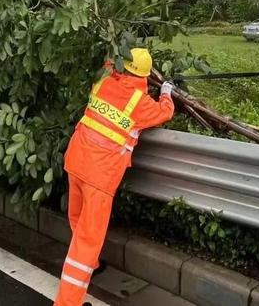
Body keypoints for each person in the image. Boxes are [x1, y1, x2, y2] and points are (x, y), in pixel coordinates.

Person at [54, 48, 175, 306]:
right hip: (100, 175)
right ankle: (67, 302)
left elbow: (109, 61)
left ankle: (93, 266)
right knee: (86, 243)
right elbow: (164, 112)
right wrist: (166, 92)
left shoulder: (103, 78)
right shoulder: (140, 104)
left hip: (76, 160)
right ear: (144, 76)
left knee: (77, 218)